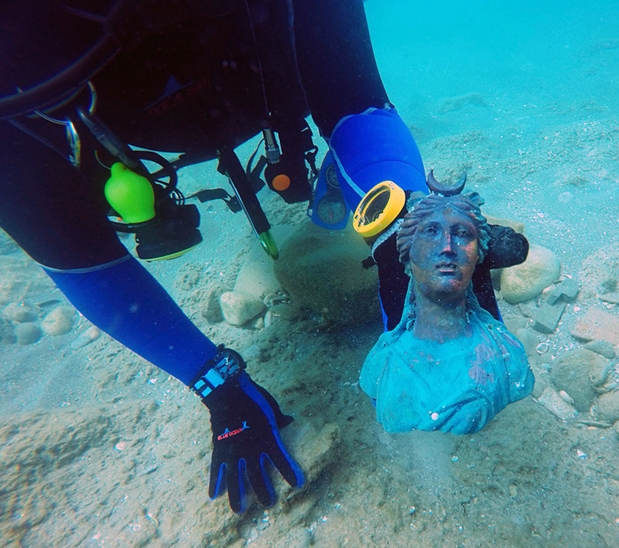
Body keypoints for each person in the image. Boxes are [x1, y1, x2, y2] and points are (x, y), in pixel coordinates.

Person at [0, 0, 528, 513]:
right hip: (95, 111)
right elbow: (73, 253)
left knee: (347, 181)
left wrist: (404, 231)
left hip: (257, 71)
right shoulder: (14, 49)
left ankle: (340, 203)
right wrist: (214, 382)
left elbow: (354, 102)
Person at [360, 181, 534, 434]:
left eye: (462, 234)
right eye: (431, 231)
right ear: (407, 252)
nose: (447, 247)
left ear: (478, 254)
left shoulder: (509, 359)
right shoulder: (384, 365)